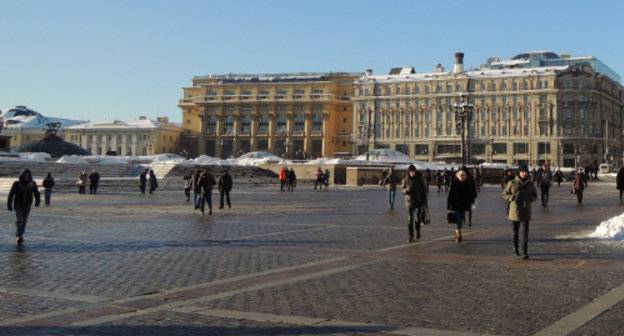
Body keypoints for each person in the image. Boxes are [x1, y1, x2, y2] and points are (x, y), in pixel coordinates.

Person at [503, 164, 537, 259]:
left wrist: (529, 198)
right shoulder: (512, 183)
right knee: (515, 232)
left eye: (526, 172)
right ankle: (515, 248)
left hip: (526, 210)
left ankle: (524, 251)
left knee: (525, 232)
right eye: (522, 172)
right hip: (515, 210)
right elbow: (504, 194)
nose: (524, 173)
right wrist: (513, 197)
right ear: (519, 173)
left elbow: (535, 196)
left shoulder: (530, 184)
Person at [7, 169, 40, 245]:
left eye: (27, 175)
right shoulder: (17, 184)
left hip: (27, 204)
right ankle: (18, 235)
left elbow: (36, 193)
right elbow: (11, 194)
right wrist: (9, 204)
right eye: (25, 175)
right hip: (18, 203)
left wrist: (38, 201)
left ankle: (20, 234)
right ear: (22, 176)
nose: (26, 177)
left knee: (24, 219)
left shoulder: (32, 184)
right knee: (20, 218)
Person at [448, 169, 477, 242]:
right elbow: (450, 196)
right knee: (458, 220)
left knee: (461, 219)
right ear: (458, 176)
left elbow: (470, 195)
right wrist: (450, 205)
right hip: (456, 205)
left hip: (463, 205)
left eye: (464, 175)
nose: (462, 177)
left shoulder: (466, 184)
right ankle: (459, 235)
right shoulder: (454, 184)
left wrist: (471, 201)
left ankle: (458, 234)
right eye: (461, 175)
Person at [401, 164, 427, 242]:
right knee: (410, 219)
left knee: (417, 218)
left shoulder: (419, 179)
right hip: (409, 201)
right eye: (411, 172)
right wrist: (406, 190)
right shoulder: (405, 180)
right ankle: (410, 234)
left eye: (413, 171)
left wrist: (424, 201)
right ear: (408, 172)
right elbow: (402, 190)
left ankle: (417, 230)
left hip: (418, 201)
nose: (412, 173)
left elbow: (423, 191)